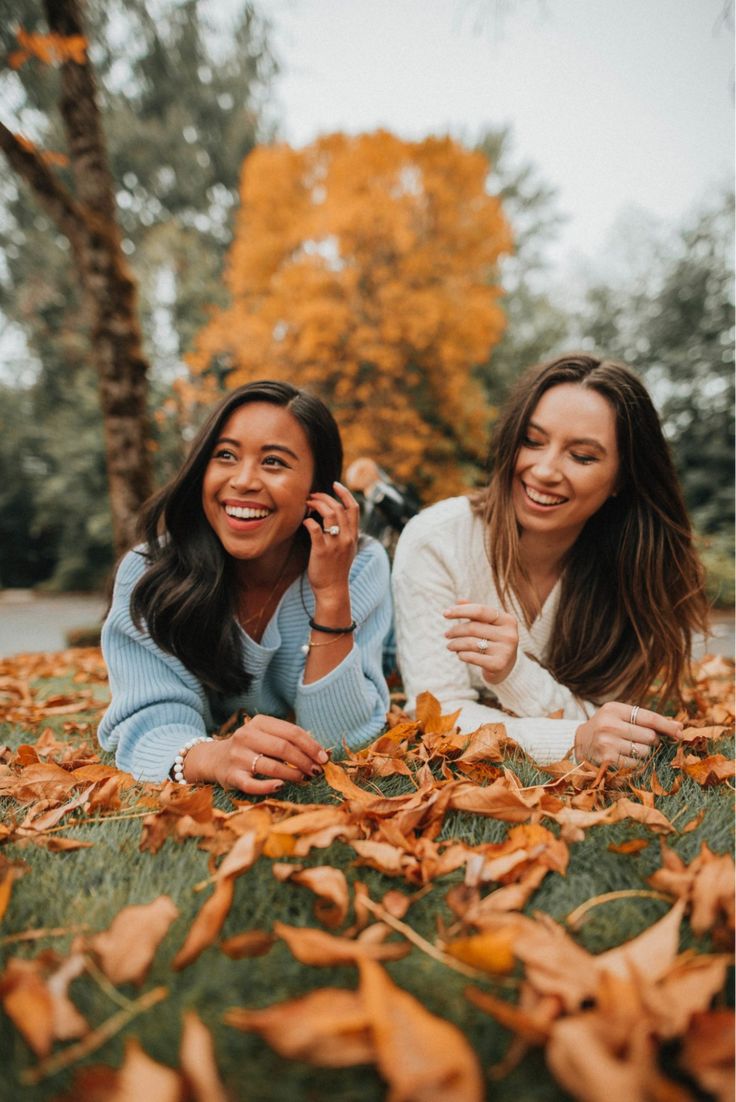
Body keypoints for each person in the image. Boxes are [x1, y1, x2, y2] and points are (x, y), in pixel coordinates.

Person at [392, 354, 708, 768]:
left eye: (581, 456)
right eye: (533, 440)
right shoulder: (437, 540)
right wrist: (574, 740)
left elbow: (604, 717)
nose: (544, 470)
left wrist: (514, 674)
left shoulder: (634, 569)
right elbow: (437, 717)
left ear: (621, 478)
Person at [98, 380, 392, 794]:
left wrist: (330, 597)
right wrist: (213, 757)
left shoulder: (359, 564)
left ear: (316, 489)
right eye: (225, 456)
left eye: (273, 462)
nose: (243, 480)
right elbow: (149, 723)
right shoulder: (149, 572)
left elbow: (345, 737)